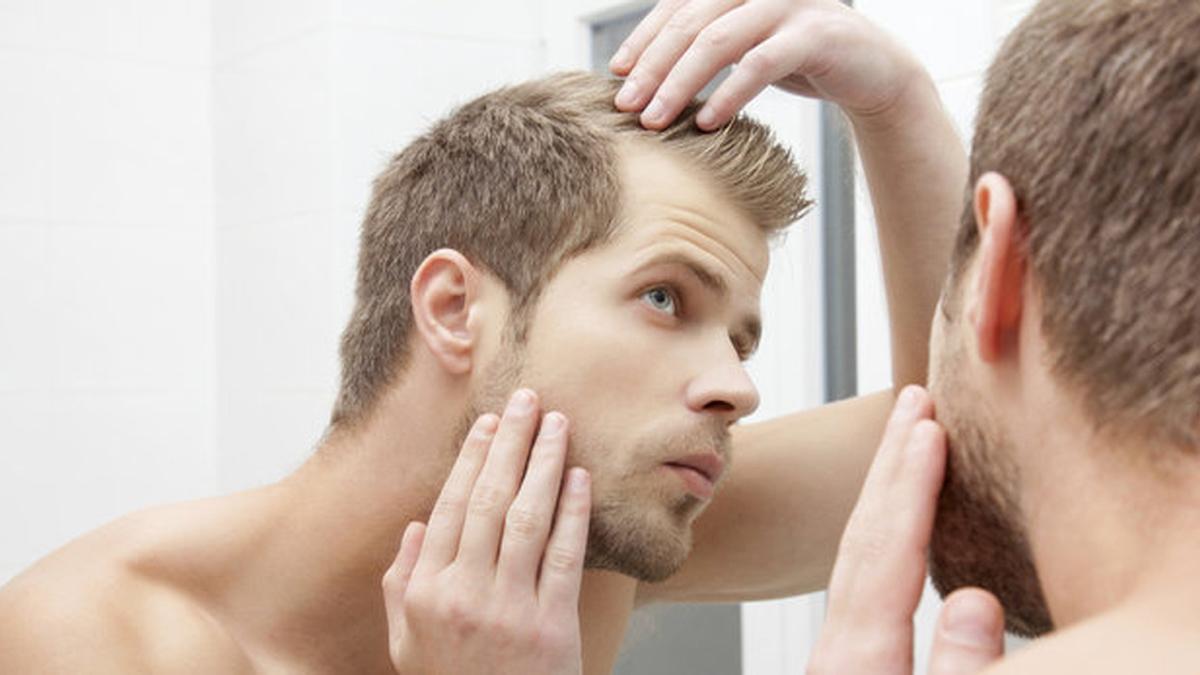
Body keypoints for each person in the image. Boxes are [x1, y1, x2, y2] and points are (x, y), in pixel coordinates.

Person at [0, 1, 968, 673]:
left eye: (741, 342)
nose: (735, 388)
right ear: (457, 309)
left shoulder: (573, 550)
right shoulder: (96, 644)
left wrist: (894, 100)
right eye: (667, 299)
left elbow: (956, 449)